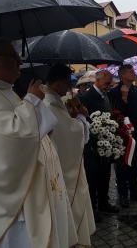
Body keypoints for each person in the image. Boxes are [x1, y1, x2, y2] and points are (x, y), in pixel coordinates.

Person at [0, 37, 77, 247]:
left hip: (25, 191)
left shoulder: (3, 91)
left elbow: (26, 129)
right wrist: (31, 101)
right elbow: (9, 139)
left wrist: (42, 125)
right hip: (7, 201)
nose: (19, 62)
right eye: (13, 57)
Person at [43, 64, 96, 247]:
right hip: (61, 170)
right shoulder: (50, 103)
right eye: (67, 84)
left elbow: (61, 127)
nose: (68, 89)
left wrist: (70, 117)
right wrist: (81, 117)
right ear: (57, 84)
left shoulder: (49, 100)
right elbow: (69, 135)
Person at [80, 70, 120, 221]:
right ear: (97, 80)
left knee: (105, 174)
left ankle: (104, 202)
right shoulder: (87, 97)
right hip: (93, 145)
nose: (108, 87)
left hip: (106, 143)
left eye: (110, 84)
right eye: (106, 84)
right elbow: (85, 121)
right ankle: (92, 207)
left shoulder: (107, 95)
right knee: (92, 177)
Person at [110, 64, 137, 208]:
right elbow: (116, 114)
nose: (135, 73)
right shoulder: (115, 92)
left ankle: (134, 191)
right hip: (123, 135)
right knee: (122, 166)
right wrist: (124, 99)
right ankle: (123, 195)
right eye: (131, 72)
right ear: (123, 75)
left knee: (134, 164)